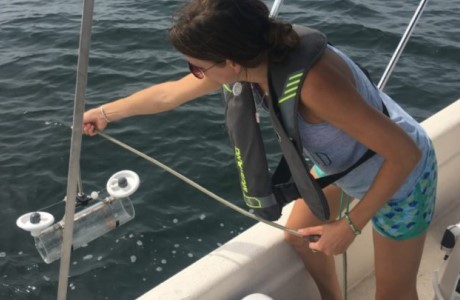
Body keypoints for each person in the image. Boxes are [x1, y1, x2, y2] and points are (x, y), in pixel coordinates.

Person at [82, 0, 437, 299]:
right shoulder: (256, 59)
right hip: (345, 165)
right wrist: (103, 114)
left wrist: (350, 226)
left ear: (231, 63)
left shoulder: (315, 86)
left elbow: (406, 154)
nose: (195, 75)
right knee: (299, 239)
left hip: (403, 181)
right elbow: (168, 94)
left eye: (197, 67)